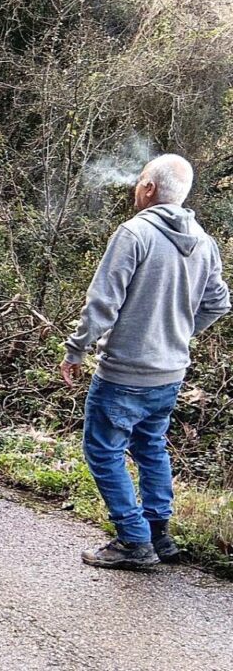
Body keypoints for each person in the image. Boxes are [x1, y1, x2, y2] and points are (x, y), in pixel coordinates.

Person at [60, 154, 230, 570]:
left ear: (150, 188)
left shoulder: (134, 233)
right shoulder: (204, 242)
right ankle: (158, 534)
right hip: (170, 373)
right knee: (151, 447)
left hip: (124, 372)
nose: (136, 187)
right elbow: (218, 303)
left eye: (140, 181)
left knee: (103, 451)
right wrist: (178, 333)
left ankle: (133, 540)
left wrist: (76, 349)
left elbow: (103, 303)